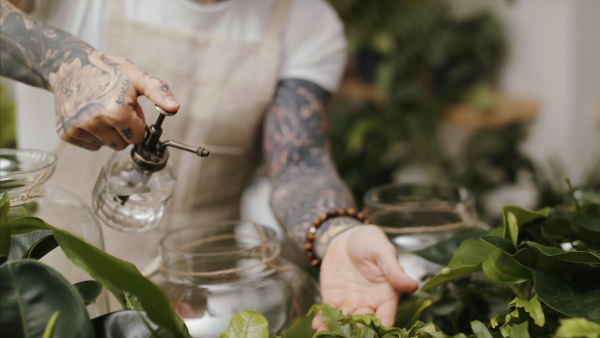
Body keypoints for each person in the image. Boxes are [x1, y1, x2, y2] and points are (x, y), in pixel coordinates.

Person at [0, 0, 419, 331]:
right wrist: (66, 64)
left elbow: (299, 161)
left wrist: (337, 233)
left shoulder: (305, 20)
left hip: (196, 304)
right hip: (47, 293)